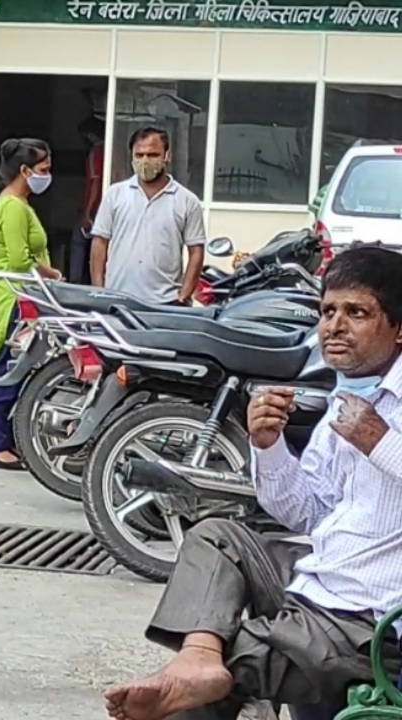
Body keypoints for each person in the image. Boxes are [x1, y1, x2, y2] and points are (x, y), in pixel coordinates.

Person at [104, 246, 402, 720]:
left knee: (194, 692)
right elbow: (307, 512)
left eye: (357, 312)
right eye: (327, 312)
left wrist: (380, 441)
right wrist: (267, 446)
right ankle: (197, 659)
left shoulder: (382, 410)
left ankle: (203, 670)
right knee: (217, 538)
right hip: (323, 583)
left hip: (370, 622)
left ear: (398, 327)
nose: (335, 326)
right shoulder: (347, 396)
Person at [0, 138, 62, 471]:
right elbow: (18, 260)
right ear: (24, 170)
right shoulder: (13, 207)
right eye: (43, 170)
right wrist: (53, 273)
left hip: (21, 294)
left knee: (19, 369)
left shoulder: (16, 204)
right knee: (7, 370)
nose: (48, 175)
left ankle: (6, 440)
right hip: (14, 298)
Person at [90, 126, 206, 306]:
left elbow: (196, 251)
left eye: (152, 155)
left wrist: (183, 296)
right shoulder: (115, 195)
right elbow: (99, 242)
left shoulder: (187, 201)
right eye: (139, 155)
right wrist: (99, 290)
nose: (145, 161)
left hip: (165, 303)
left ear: (167, 156)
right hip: (117, 300)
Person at [70, 115, 106, 285]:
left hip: (95, 207)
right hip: (104, 205)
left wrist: (87, 211)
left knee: (79, 241)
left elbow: (95, 182)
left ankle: (76, 281)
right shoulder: (112, 149)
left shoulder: (96, 152)